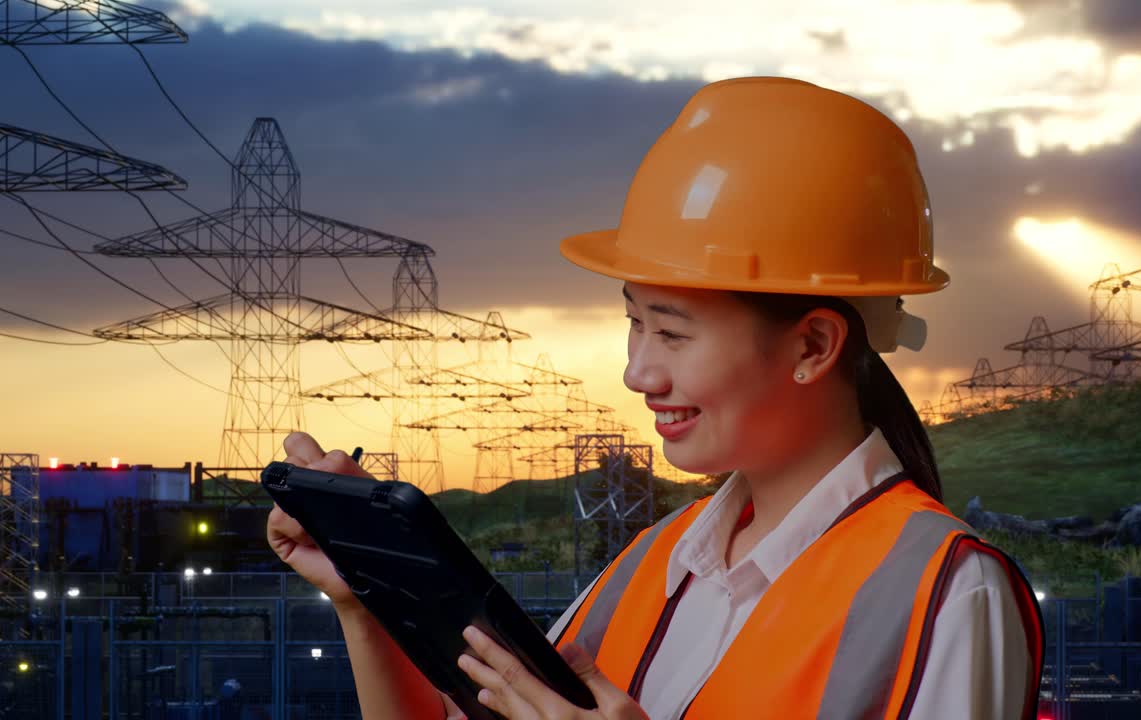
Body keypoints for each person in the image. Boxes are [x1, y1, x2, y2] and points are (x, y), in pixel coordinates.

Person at [268, 76, 1046, 720]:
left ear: (813, 346)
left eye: (672, 334)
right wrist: (367, 598)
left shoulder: (946, 594)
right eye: (634, 325)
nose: (639, 373)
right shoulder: (650, 569)